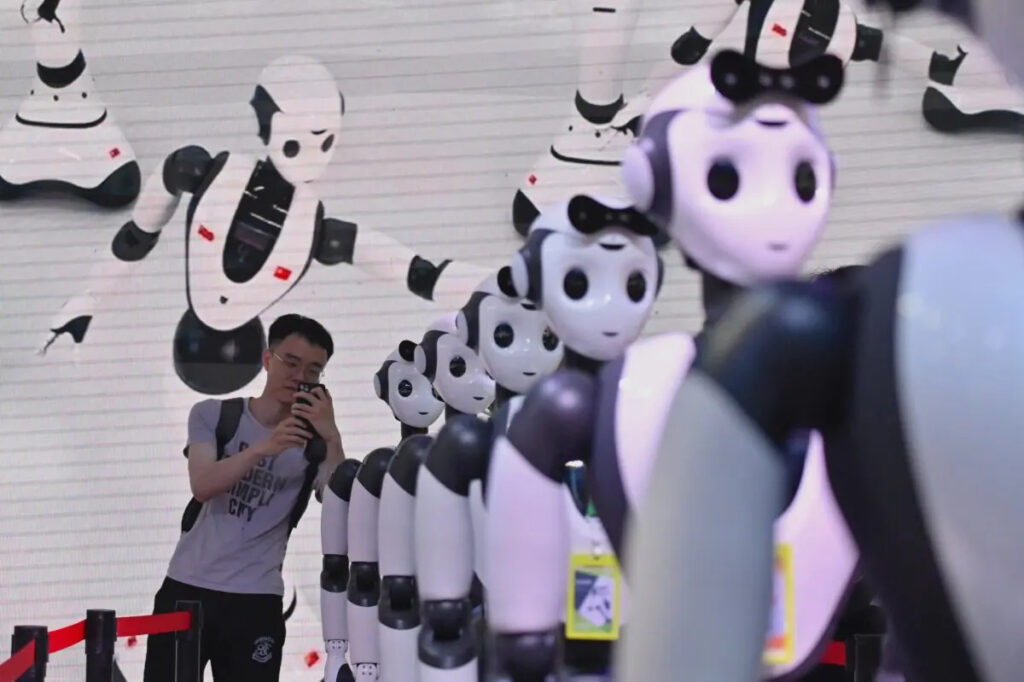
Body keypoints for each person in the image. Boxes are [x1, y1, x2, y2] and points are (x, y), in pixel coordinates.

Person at [142, 313, 346, 682]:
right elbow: (202, 484)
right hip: (188, 587)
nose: (301, 377)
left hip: (257, 598)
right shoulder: (214, 415)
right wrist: (264, 448)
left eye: (314, 370)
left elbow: (337, 505)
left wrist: (332, 437)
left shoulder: (314, 443)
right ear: (268, 360)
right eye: (292, 362)